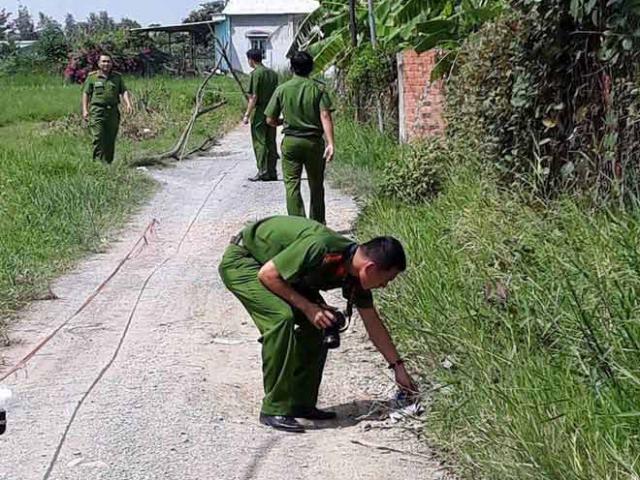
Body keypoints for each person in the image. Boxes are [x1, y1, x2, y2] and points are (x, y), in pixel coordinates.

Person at [218, 216, 417, 433]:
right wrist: (309, 308)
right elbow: (268, 275)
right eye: (385, 280)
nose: (384, 286)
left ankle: (300, 404)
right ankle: (273, 408)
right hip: (245, 261)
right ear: (369, 268)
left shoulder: (354, 272)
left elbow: (373, 323)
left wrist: (399, 369)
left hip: (281, 274)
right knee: (281, 318)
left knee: (320, 323)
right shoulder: (321, 247)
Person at [265, 51, 335, 224]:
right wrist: (331, 143)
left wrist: (283, 121)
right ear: (311, 68)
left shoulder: (282, 89)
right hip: (313, 143)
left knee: (291, 185)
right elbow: (325, 115)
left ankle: (298, 226)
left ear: (291, 68)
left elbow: (269, 119)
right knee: (316, 185)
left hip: (291, 143)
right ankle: (317, 225)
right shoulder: (318, 89)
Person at [82, 54, 133, 164]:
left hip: (113, 112)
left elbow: (123, 91)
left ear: (111, 63)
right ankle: (97, 163)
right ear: (99, 63)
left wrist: (128, 103)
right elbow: (86, 93)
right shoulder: (92, 77)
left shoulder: (117, 77)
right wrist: (85, 110)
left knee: (110, 139)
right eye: (104, 61)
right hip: (97, 111)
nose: (106, 64)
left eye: (108, 61)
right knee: (98, 137)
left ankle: (108, 162)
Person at [243, 49, 280, 182]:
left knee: (260, 141)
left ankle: (262, 171)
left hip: (260, 111)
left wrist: (247, 114)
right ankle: (272, 171)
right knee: (271, 140)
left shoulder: (255, 74)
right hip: (273, 110)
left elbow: (253, 97)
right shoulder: (273, 74)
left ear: (251, 59)